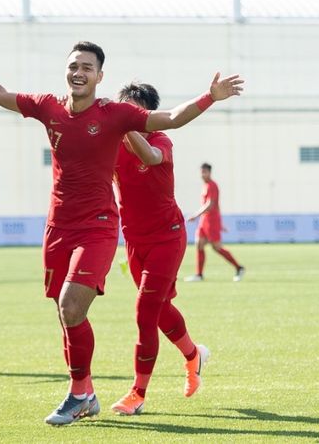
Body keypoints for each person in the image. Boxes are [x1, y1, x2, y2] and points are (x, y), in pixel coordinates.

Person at [0, 20, 243, 425]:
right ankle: (89, 391)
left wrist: (210, 97)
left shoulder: (116, 115)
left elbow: (173, 118)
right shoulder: (48, 107)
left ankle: (97, 392)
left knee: (76, 305)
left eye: (87, 67)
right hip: (59, 227)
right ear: (67, 70)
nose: (79, 71)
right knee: (67, 314)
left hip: (101, 226)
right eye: (74, 65)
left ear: (100, 76)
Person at [109, 83, 209, 416]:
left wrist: (124, 125)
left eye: (135, 111)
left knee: (145, 311)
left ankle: (137, 394)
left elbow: (149, 158)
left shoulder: (160, 141)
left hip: (168, 237)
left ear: (149, 115)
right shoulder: (112, 145)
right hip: (135, 241)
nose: (128, 116)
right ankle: (194, 355)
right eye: (125, 109)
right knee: (160, 308)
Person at [185, 163, 245, 282]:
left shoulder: (213, 185)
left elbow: (211, 204)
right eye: (201, 172)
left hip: (211, 220)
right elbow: (215, 205)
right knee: (199, 244)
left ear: (209, 172)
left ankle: (239, 268)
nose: (202, 174)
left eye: (204, 172)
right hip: (205, 220)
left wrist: (196, 215)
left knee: (216, 247)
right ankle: (199, 274)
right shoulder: (205, 185)